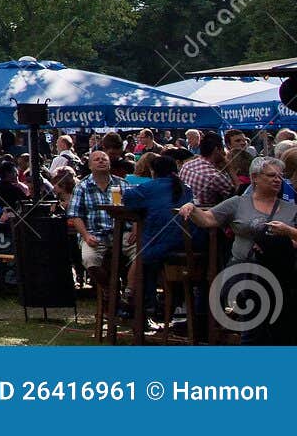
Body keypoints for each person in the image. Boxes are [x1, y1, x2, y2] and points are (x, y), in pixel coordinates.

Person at [180, 156, 297, 263]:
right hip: (243, 272)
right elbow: (207, 219)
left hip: (281, 274)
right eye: (271, 175)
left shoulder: (292, 208)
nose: (277, 180)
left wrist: (288, 231)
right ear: (255, 177)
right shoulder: (237, 202)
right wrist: (193, 209)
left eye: (280, 176)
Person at [121, 154, 187, 317]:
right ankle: (167, 302)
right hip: (187, 245)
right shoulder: (186, 188)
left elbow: (126, 198)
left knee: (143, 259)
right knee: (146, 257)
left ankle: (143, 305)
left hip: (159, 246)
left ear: (153, 171)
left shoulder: (150, 188)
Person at [178, 131, 236, 208]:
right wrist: (230, 169)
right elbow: (237, 196)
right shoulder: (214, 176)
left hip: (185, 212)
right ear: (216, 150)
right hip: (206, 215)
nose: (224, 153)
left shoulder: (186, 166)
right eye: (222, 149)